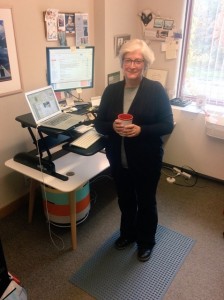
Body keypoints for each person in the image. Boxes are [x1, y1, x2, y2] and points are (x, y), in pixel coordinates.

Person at [94, 39, 174, 262]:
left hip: (146, 159)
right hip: (119, 159)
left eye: (138, 61)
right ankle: (127, 234)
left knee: (146, 201)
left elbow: (167, 124)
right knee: (126, 199)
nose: (132, 65)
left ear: (145, 64)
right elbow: (99, 123)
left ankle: (146, 241)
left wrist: (141, 130)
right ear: (122, 63)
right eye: (128, 60)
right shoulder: (111, 91)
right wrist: (112, 126)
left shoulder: (155, 90)